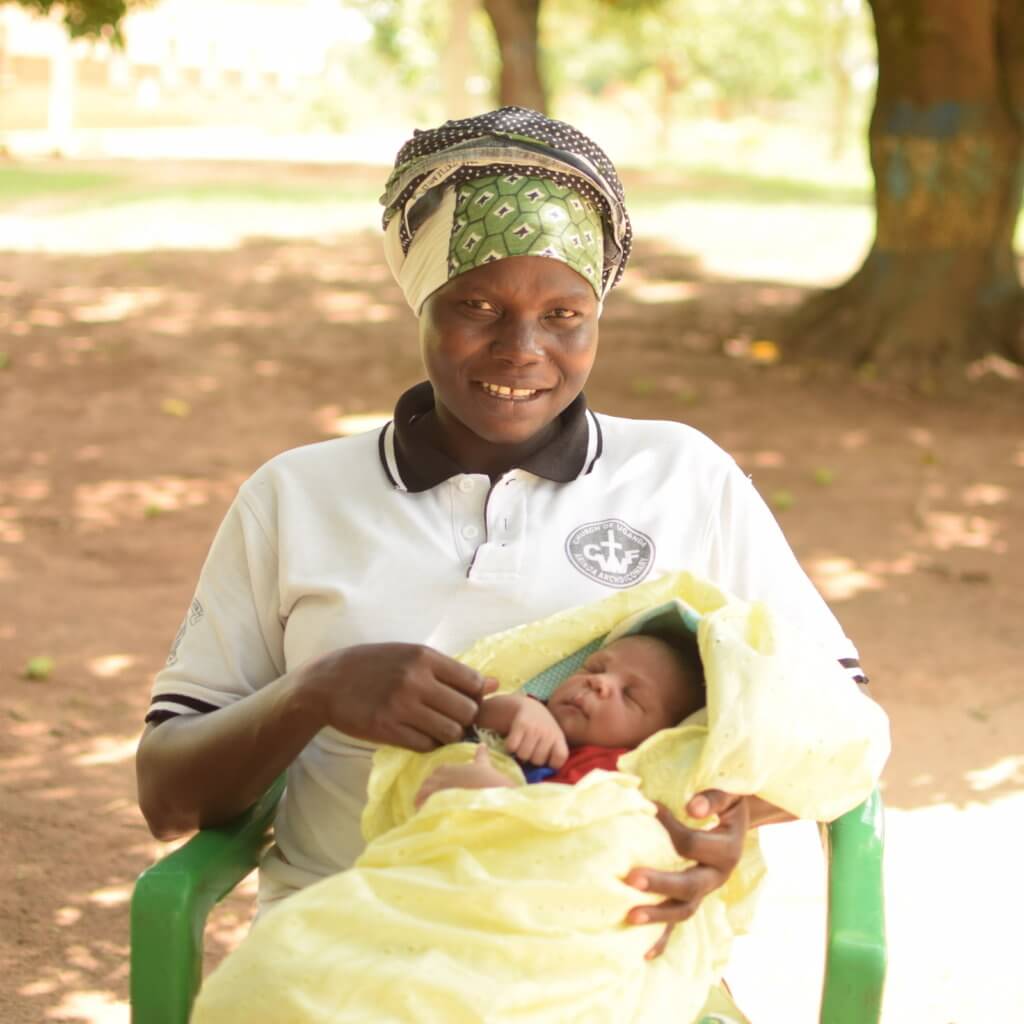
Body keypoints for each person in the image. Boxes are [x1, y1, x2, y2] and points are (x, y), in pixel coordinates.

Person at [136, 107, 868, 962]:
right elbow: (168, 796)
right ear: (419, 300)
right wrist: (317, 692)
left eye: (565, 314)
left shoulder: (683, 476)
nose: (522, 348)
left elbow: (839, 718)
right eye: (476, 305)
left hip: (603, 952)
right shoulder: (294, 497)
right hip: (352, 949)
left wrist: (721, 816)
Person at [415, 631, 706, 804]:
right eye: (594, 668)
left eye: (630, 695)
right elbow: (470, 718)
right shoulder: (535, 708)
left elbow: (563, 826)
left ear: (658, 738)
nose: (600, 683)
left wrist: (501, 795)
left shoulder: (612, 772)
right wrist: (520, 709)